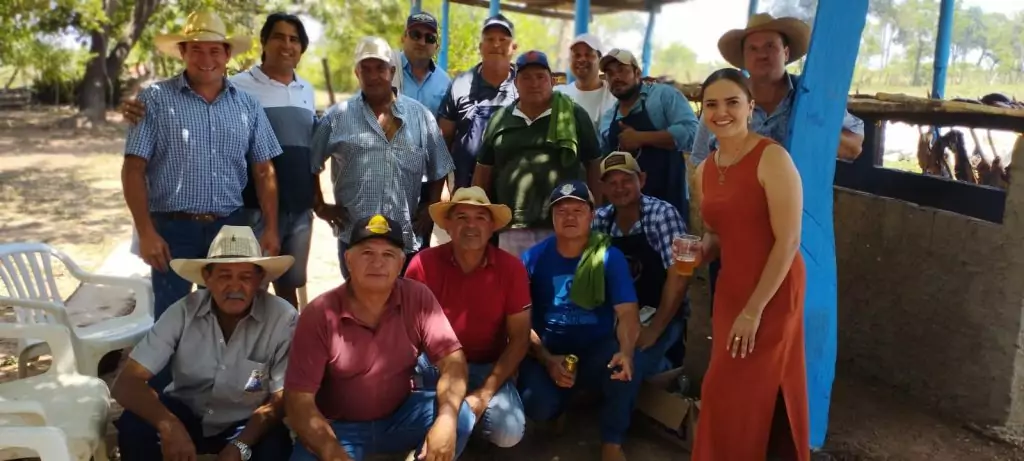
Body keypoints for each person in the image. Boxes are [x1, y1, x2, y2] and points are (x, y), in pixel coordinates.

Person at [122, 13, 317, 308]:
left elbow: (264, 171)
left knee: (226, 313)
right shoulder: (155, 100)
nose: (206, 59)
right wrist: (146, 232)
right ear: (182, 52)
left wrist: (271, 229)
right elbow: (133, 169)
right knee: (170, 314)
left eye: (215, 50)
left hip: (229, 228)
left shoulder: (247, 104)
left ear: (227, 54)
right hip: (173, 229)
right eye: (196, 49)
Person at [284, 214, 475, 461]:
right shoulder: (320, 314)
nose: (377, 263)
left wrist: (446, 420)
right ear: (348, 260)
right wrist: (333, 454)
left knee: (460, 417)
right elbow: (298, 401)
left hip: (399, 417)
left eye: (388, 254)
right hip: (339, 428)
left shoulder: (417, 297)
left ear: (401, 263)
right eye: (367, 253)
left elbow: (453, 361)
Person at [689, 68, 809, 460]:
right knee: (727, 388)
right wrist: (700, 251)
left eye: (732, 102)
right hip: (731, 288)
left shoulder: (772, 157)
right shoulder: (704, 170)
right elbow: (716, 234)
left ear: (750, 107)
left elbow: (788, 240)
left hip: (773, 289)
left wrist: (754, 310)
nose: (721, 112)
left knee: (749, 386)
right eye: (711, 104)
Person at [111, 225, 297, 461]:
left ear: (260, 280)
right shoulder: (183, 311)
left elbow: (281, 399)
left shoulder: (282, 318)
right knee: (134, 425)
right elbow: (126, 383)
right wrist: (169, 424)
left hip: (245, 423)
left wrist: (240, 445)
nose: (235, 287)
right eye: (224, 276)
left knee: (275, 446)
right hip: (185, 413)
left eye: (245, 277)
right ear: (207, 278)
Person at [516, 180, 643, 461]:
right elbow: (520, 322)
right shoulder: (532, 258)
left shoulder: (609, 257)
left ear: (592, 216)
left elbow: (627, 313)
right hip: (549, 348)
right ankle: (562, 405)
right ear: (552, 218)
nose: (569, 217)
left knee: (624, 366)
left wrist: (626, 350)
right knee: (537, 405)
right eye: (561, 211)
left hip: (596, 349)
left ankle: (612, 441)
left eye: (578, 210)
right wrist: (547, 359)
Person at [312, 36, 454, 279]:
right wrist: (320, 206)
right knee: (357, 300)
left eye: (379, 68)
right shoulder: (337, 117)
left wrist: (430, 205)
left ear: (392, 71)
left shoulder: (420, 116)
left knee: (406, 299)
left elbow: (439, 165)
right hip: (355, 237)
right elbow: (311, 163)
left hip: (406, 238)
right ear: (357, 73)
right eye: (365, 69)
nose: (373, 75)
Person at [405, 186, 530, 448]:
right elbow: (406, 329)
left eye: (480, 217)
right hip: (435, 364)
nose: (471, 225)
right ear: (448, 226)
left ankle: (453, 423)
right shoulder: (422, 264)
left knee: (508, 432)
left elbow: (520, 338)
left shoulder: (511, 268)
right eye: (461, 217)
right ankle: (453, 423)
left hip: (486, 365)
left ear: (492, 227)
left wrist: (485, 394)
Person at [472, 50, 602, 257]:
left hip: (563, 223)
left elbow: (594, 165)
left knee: (559, 277)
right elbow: (483, 172)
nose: (534, 83)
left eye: (540, 77)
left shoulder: (573, 116)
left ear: (552, 81)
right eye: (526, 78)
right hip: (512, 226)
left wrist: (597, 212)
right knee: (514, 276)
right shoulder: (500, 119)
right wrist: (479, 216)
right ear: (516, 83)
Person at [689, 13, 865, 164]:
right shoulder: (722, 99)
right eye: (753, 48)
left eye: (770, 46)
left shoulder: (810, 95)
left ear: (786, 53)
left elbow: (854, 147)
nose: (762, 55)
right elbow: (699, 161)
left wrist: (810, 126)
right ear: (744, 58)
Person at [592, 152, 690, 368]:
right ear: (603, 188)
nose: (619, 188)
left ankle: (669, 369)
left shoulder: (662, 214)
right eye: (612, 183)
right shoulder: (599, 220)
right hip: (618, 316)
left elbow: (680, 277)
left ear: (642, 180)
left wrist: (654, 330)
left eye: (626, 180)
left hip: (660, 314)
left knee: (637, 366)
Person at [598, 48, 698, 217]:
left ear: (637, 72)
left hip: (668, 203)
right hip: (625, 212)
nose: (616, 77)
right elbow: (603, 160)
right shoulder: (608, 118)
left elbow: (692, 132)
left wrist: (641, 138)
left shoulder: (663, 97)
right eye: (610, 73)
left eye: (622, 70)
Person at [437, 14, 519, 190]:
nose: (496, 44)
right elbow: (443, 141)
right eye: (490, 39)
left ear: (514, 47)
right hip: (466, 191)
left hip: (510, 190)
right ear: (480, 47)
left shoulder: (524, 86)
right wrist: (442, 188)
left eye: (503, 39)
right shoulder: (461, 84)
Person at [395, 11, 454, 249]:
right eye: (415, 34)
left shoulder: (445, 83)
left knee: (417, 249)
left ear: (436, 46)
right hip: (387, 175)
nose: (422, 41)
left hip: (426, 182)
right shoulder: (386, 70)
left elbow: (444, 141)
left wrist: (435, 198)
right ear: (404, 36)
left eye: (429, 38)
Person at [554, 33, 616, 130]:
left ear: (600, 60)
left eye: (588, 55)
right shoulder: (559, 94)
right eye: (577, 55)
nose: (582, 59)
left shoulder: (613, 95)